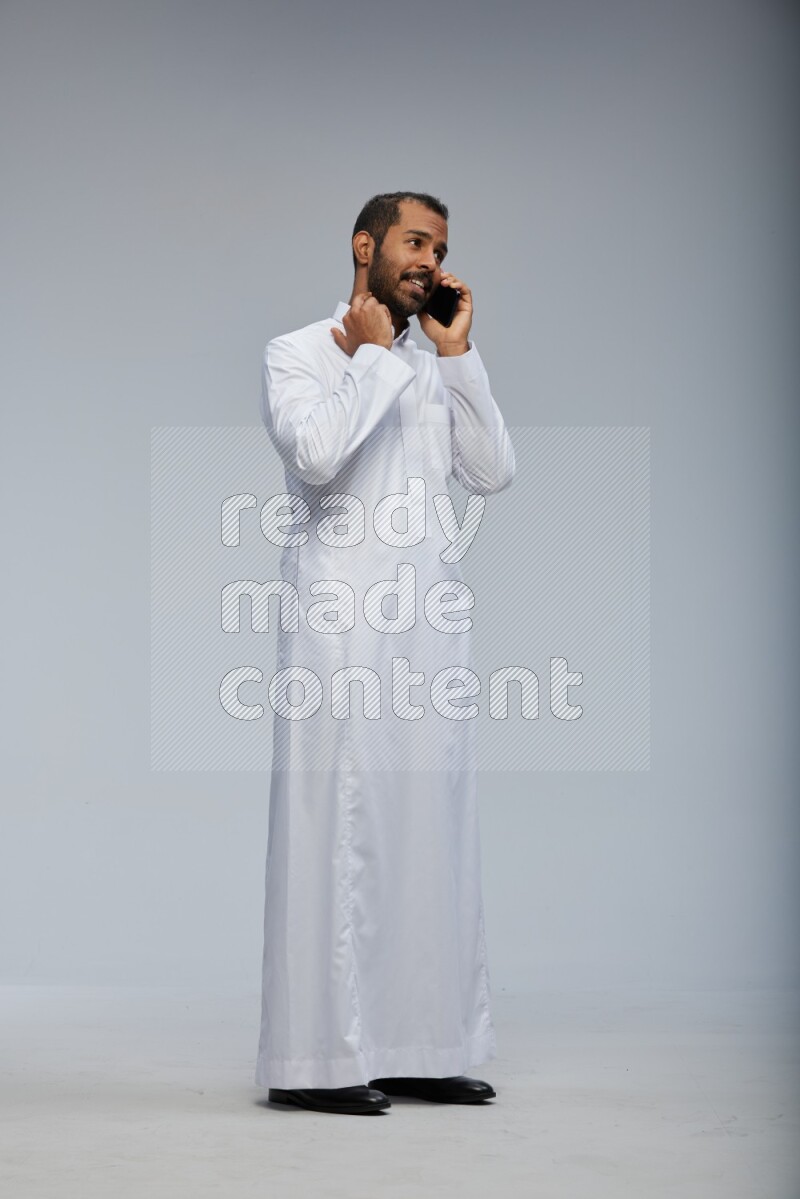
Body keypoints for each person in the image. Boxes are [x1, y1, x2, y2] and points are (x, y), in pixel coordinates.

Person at [255, 191, 515, 1115]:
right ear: (364, 246)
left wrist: (458, 357)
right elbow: (317, 454)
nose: (428, 259)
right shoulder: (298, 353)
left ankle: (421, 1044)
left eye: (439, 247)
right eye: (414, 241)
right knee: (335, 830)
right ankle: (315, 1063)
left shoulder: (434, 362)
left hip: (426, 630)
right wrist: (368, 356)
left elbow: (492, 471)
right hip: (339, 626)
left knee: (428, 829)